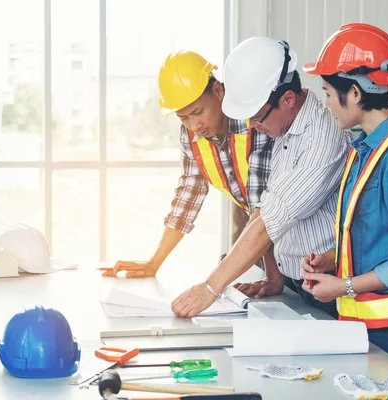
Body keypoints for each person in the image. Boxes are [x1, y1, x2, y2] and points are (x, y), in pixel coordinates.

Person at [171, 37, 351, 319]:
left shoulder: (320, 139)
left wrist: (209, 288)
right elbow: (264, 209)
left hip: (333, 291)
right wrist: (275, 276)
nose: (252, 126)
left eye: (255, 118)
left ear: (288, 99)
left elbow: (268, 223)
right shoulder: (285, 128)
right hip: (302, 285)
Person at [300, 23, 388, 375]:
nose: (327, 103)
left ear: (357, 94)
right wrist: (329, 261)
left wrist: (344, 286)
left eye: (330, 93)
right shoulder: (363, 151)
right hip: (368, 327)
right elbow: (372, 236)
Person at [102, 50, 276, 282]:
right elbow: (189, 194)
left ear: (218, 91)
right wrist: (154, 262)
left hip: (292, 230)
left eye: (197, 112)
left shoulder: (254, 120)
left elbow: (262, 207)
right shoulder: (190, 134)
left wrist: (214, 285)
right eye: (183, 118)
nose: (194, 125)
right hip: (257, 227)